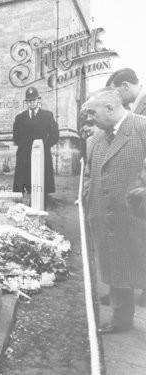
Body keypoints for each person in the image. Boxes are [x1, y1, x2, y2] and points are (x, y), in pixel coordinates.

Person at [82, 87, 146, 334]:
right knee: (117, 267)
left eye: (92, 112)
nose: (89, 118)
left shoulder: (141, 128)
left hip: (137, 216)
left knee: (139, 263)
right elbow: (88, 174)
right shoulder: (95, 139)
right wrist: (89, 195)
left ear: (109, 108)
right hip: (106, 216)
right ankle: (121, 320)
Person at [102, 68, 146, 307]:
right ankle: (126, 290)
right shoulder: (135, 107)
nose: (115, 99)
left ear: (126, 86)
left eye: (116, 93)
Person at [12, 87, 59, 198]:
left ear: (38, 100)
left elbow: (55, 135)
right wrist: (26, 146)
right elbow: (16, 137)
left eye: (33, 100)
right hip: (25, 154)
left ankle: (44, 197)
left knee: (42, 177)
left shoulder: (47, 116)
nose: (32, 103)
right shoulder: (20, 118)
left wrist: (44, 145)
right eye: (29, 101)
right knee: (25, 177)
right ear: (26, 102)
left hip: (42, 152)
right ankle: (26, 195)